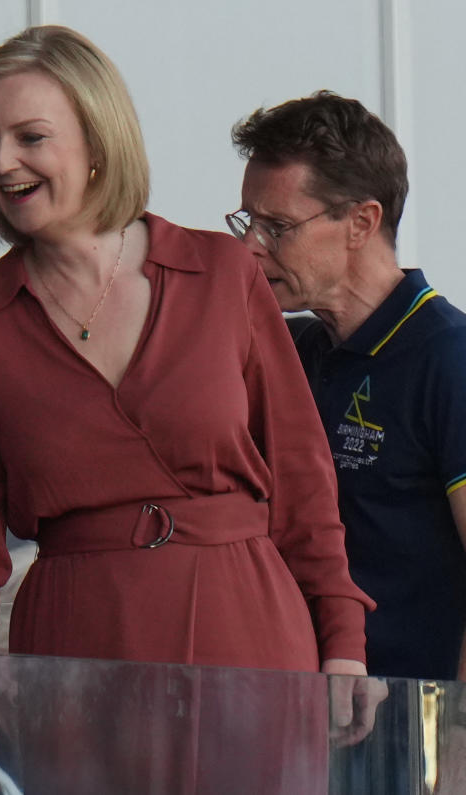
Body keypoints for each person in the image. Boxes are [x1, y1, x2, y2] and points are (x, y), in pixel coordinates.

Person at [0, 26, 376, 791]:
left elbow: (301, 475)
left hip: (248, 619)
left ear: (99, 140)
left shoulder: (223, 272)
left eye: (30, 136)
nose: (1, 163)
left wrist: (344, 640)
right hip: (77, 638)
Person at [229, 91, 466, 682]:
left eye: (277, 226)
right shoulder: (293, 353)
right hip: (308, 715)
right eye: (246, 222)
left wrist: (460, 736)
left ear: (362, 222)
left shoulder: (450, 358)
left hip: (416, 734)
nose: (249, 247)